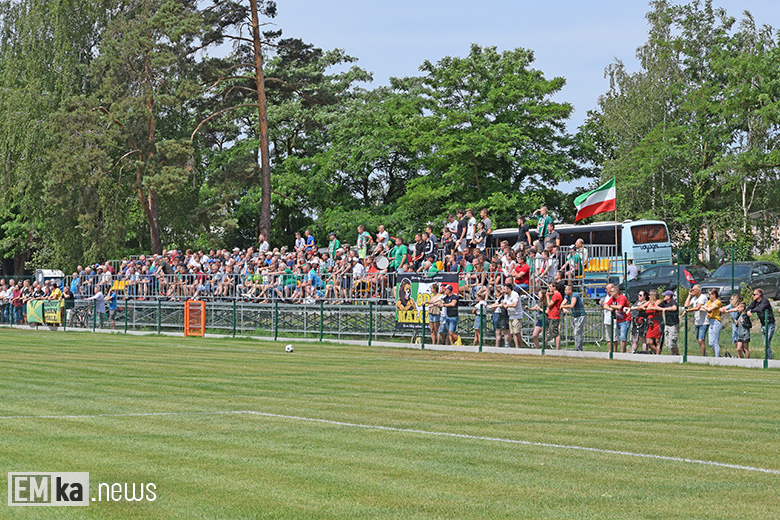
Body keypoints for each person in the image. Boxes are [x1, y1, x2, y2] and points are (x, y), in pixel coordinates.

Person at [746, 287, 774, 359]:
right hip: (763, 325)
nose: (752, 296)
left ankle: (769, 359)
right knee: (766, 344)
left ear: (758, 295)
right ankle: (768, 358)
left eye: (754, 294)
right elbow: (748, 308)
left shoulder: (765, 301)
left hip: (770, 325)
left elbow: (760, 308)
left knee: (766, 343)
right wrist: (748, 311)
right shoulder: (755, 302)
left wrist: (751, 311)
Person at [682, 285, 708, 356]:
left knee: (701, 340)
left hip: (704, 322)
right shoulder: (694, 298)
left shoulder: (702, 297)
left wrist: (686, 310)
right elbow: (686, 305)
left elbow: (697, 308)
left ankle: (703, 356)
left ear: (698, 290)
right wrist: (689, 295)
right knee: (699, 340)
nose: (692, 291)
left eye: (693, 290)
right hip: (697, 322)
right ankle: (704, 353)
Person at [604, 285, 631, 353]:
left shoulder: (622, 298)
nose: (610, 293)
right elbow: (605, 305)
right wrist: (610, 308)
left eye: (612, 291)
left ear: (616, 292)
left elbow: (619, 307)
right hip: (618, 320)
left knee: (622, 337)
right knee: (619, 337)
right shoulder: (612, 298)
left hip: (625, 320)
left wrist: (611, 306)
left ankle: (622, 353)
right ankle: (623, 351)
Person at [561, 284, 586, 351]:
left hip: (580, 316)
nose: (565, 291)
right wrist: (563, 309)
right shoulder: (567, 296)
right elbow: (562, 304)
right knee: (576, 333)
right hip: (575, 316)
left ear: (570, 290)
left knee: (577, 333)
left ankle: (578, 349)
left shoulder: (575, 295)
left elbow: (572, 305)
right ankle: (577, 348)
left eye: (566, 290)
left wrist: (563, 307)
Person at [657, 290, 680, 355]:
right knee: (668, 342)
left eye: (665, 296)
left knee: (672, 342)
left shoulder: (673, 302)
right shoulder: (664, 302)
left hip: (674, 324)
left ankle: (677, 354)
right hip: (667, 324)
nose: (663, 297)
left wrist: (666, 309)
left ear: (669, 296)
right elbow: (657, 307)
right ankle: (672, 355)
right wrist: (662, 309)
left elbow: (674, 308)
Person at [503, 282, 524, 348]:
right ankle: (518, 346)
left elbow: (515, 304)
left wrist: (508, 305)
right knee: (513, 333)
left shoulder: (515, 294)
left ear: (508, 289)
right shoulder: (506, 295)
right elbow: (504, 302)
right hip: (511, 315)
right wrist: (504, 305)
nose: (503, 290)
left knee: (516, 332)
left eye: (504, 289)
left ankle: (520, 345)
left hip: (517, 315)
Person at [703, 289, 723, 357]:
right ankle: (719, 356)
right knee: (711, 343)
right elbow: (702, 307)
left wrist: (706, 308)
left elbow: (709, 309)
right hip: (711, 322)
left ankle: (717, 357)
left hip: (716, 322)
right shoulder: (710, 302)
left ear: (714, 295)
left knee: (715, 342)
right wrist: (706, 308)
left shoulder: (718, 302)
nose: (709, 296)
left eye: (710, 294)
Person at [546, 282, 563, 350]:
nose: (549, 288)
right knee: (553, 332)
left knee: (555, 333)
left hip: (554, 315)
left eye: (550, 287)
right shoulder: (555, 295)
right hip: (552, 315)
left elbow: (549, 304)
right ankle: (557, 347)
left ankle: (557, 348)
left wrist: (547, 297)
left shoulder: (556, 295)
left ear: (554, 287)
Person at [601, 283, 615, 351]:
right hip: (607, 319)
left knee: (614, 338)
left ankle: (614, 352)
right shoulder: (605, 297)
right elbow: (603, 305)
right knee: (608, 337)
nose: (605, 290)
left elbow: (612, 307)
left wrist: (606, 306)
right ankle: (610, 351)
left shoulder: (614, 297)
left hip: (613, 320)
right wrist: (604, 305)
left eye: (607, 289)